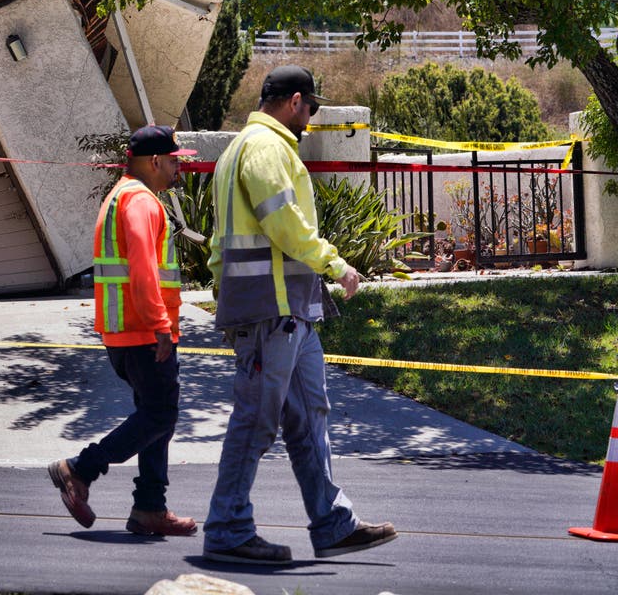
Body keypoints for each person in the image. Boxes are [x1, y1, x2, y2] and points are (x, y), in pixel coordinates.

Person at [202, 65, 397, 564]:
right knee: (256, 420)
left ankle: (332, 523)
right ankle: (226, 526)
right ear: (294, 101)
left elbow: (218, 248)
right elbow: (285, 225)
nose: (310, 118)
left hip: (286, 311)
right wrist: (335, 263)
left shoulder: (236, 151)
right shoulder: (267, 149)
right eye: (311, 107)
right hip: (272, 313)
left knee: (310, 417)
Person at [48, 124, 198, 537]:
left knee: (155, 417)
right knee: (160, 414)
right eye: (173, 161)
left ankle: (150, 507)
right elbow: (143, 269)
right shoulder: (140, 202)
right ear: (153, 161)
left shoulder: (121, 196)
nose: (177, 169)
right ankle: (80, 469)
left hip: (125, 333)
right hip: (143, 333)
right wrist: (161, 327)